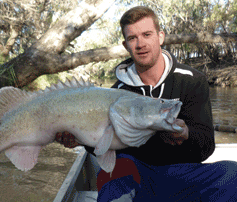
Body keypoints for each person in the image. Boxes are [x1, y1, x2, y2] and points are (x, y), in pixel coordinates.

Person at [56, 6, 237, 201]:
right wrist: (80, 139)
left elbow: (206, 146)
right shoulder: (115, 93)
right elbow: (102, 145)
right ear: (126, 45)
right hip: (137, 176)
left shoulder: (193, 80)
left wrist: (186, 135)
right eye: (133, 38)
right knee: (112, 172)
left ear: (160, 37)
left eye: (147, 34)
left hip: (183, 176)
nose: (140, 43)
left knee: (231, 174)